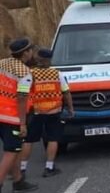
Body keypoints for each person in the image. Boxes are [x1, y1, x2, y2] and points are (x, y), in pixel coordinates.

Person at [20, 48, 74, 178]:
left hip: (36, 112)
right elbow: (66, 93)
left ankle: (22, 169)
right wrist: (71, 108)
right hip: (54, 112)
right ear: (50, 60)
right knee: (53, 139)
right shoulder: (57, 74)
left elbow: (22, 94)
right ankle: (49, 167)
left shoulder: (30, 74)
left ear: (38, 59)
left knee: (28, 140)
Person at [0, 38, 39, 193]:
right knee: (11, 152)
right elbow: (22, 98)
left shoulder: (2, 63)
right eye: (31, 50)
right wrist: (22, 123)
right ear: (25, 53)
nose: (32, 53)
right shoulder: (24, 73)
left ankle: (18, 182)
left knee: (13, 150)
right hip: (11, 116)